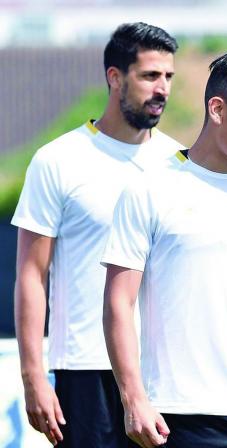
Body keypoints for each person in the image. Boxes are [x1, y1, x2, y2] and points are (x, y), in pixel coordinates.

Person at [101, 50, 227, 448]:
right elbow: (117, 304)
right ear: (217, 109)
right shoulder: (149, 190)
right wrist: (134, 399)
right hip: (175, 419)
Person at [12, 22, 180, 447]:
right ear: (115, 77)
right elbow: (32, 275)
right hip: (86, 371)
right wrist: (34, 377)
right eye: (149, 76)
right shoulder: (57, 161)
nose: (162, 88)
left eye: (168, 77)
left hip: (165, 370)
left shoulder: (180, 163)